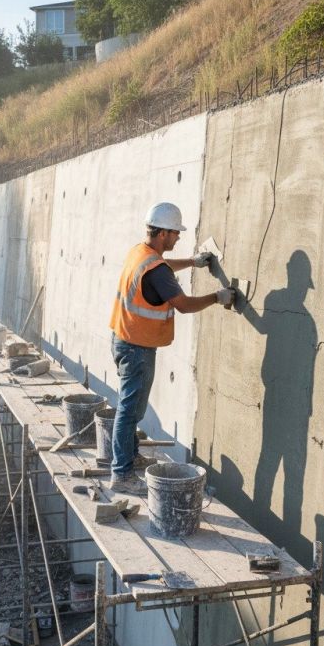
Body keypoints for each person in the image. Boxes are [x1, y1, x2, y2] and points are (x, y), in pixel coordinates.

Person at [108, 202, 235, 495]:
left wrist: (192, 262)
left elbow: (162, 268)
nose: (178, 237)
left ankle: (129, 455)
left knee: (134, 406)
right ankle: (121, 473)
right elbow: (184, 305)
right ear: (163, 233)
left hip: (125, 339)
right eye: (176, 233)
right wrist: (218, 296)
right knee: (129, 410)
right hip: (136, 348)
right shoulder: (155, 269)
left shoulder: (141, 254)